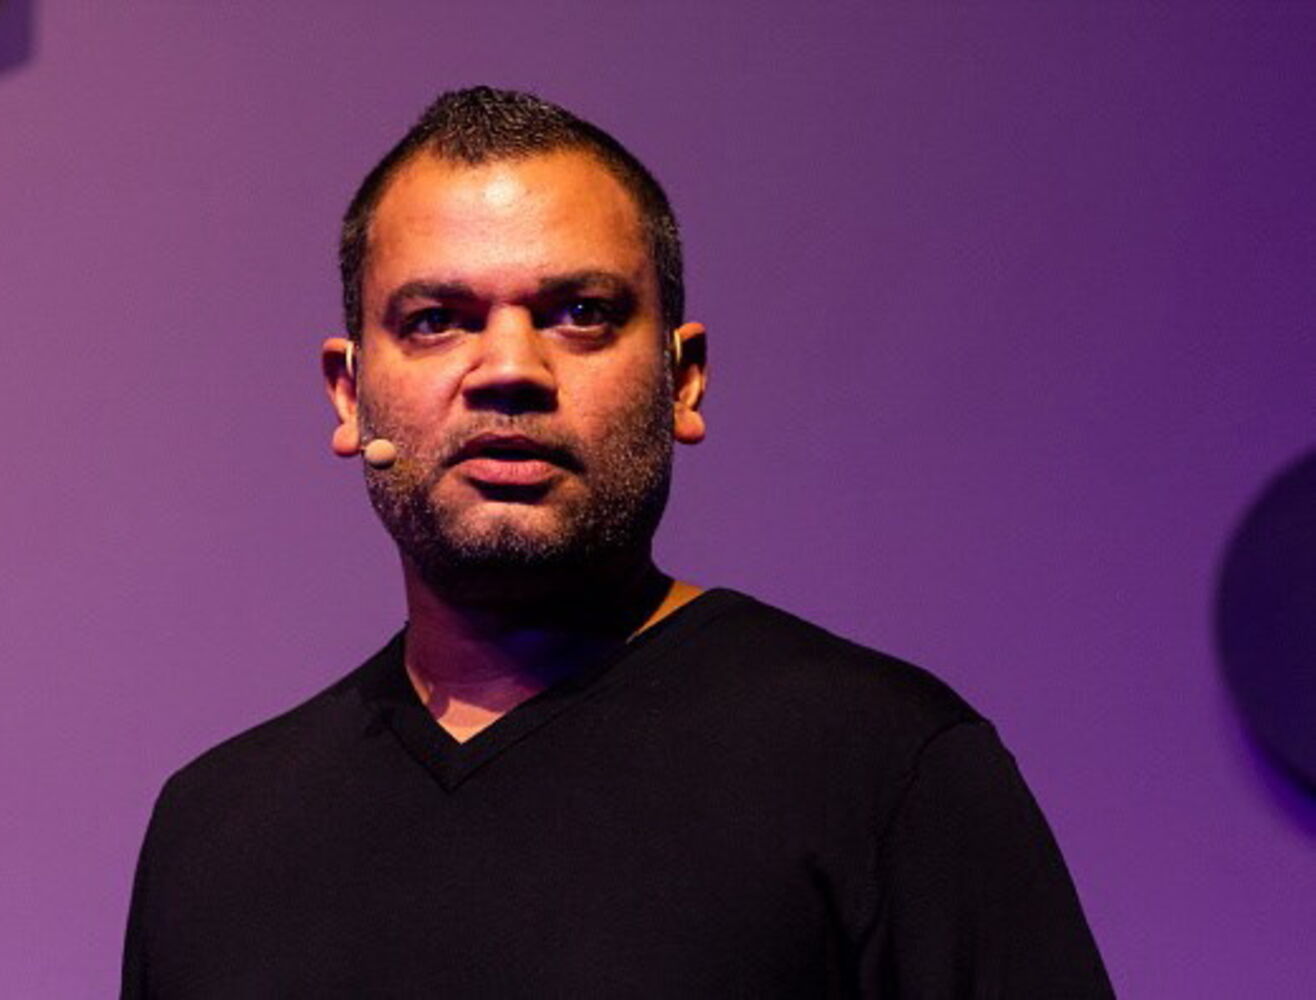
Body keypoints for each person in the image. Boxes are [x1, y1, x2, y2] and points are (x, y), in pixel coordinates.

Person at [122, 86, 1113, 998]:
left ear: (684, 379)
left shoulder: (884, 764)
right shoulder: (217, 834)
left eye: (581, 314)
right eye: (436, 321)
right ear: (349, 396)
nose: (508, 368)